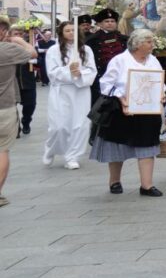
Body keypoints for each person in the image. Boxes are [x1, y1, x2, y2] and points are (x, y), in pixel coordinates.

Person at [93, 29, 165, 197]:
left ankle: (146, 185)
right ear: (138, 44)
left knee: (148, 146)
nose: (152, 45)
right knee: (117, 147)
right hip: (122, 110)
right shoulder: (119, 60)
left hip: (148, 111)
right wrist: (120, 97)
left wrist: (162, 92)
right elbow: (105, 84)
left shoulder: (153, 60)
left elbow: (159, 80)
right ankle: (115, 181)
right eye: (149, 42)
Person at [43, 21, 96, 169]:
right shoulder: (54, 50)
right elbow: (52, 72)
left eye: (73, 30)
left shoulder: (86, 50)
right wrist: (68, 71)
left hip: (81, 91)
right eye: (67, 30)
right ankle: (51, 149)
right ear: (62, 33)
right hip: (62, 91)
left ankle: (72, 156)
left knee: (80, 126)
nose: (71, 33)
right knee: (59, 127)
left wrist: (79, 73)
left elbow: (92, 71)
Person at [0, 23, 37, 206]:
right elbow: (32, 53)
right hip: (4, 106)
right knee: (2, 150)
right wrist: (20, 40)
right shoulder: (7, 50)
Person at [85, 8, 128, 104]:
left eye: (112, 21)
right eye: (106, 21)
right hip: (99, 79)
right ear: (100, 24)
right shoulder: (91, 40)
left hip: (121, 78)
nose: (110, 23)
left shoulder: (124, 40)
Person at [15, 33, 37, 137]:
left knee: (30, 105)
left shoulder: (31, 46)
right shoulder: (7, 48)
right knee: (11, 108)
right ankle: (16, 127)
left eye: (19, 34)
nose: (17, 36)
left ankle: (26, 121)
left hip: (28, 83)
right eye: (15, 34)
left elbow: (41, 61)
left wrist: (35, 61)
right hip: (12, 84)